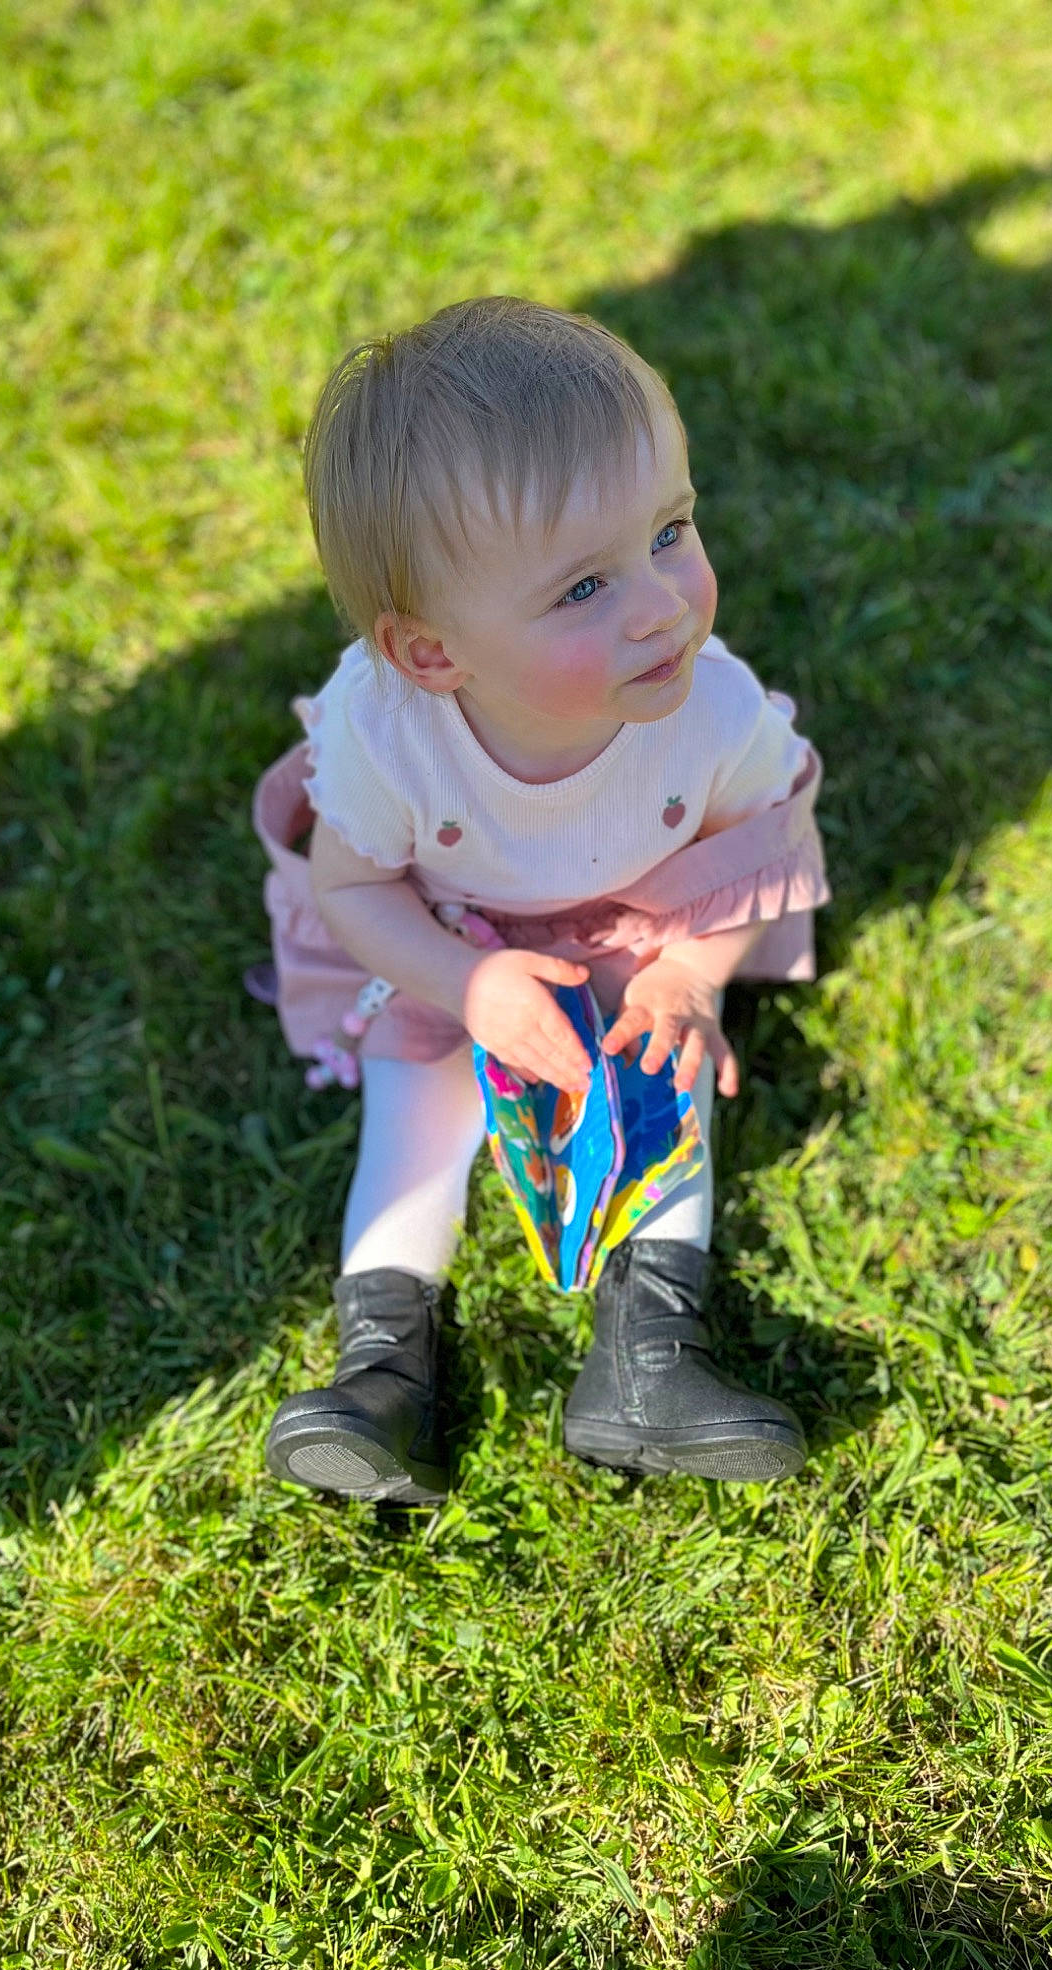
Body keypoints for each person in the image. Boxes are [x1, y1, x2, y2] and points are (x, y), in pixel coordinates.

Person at [249, 297, 829, 1503]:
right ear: (430, 653)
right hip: (452, 943)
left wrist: (686, 976)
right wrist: (465, 984)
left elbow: (756, 845)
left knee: (665, 1090)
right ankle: (382, 1369)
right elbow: (350, 881)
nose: (662, 602)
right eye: (582, 589)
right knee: (414, 1101)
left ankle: (650, 1357)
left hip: (638, 935)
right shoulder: (387, 735)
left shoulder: (712, 710)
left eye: (671, 530)